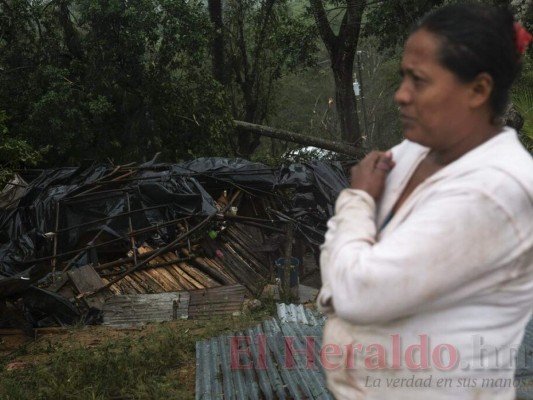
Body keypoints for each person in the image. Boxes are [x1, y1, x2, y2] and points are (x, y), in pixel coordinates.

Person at [317, 3, 533, 399]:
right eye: (403, 77)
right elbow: (353, 268)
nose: (400, 95)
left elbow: (355, 290)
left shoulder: (493, 190)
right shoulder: (415, 153)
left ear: (478, 90)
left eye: (418, 80)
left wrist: (357, 199)